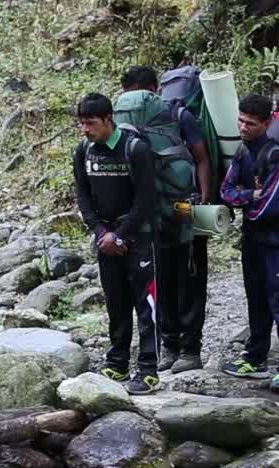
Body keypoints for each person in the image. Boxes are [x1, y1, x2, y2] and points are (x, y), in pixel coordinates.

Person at [120, 65, 212, 375]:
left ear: (155, 91)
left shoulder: (179, 116)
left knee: (190, 279)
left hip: (185, 208)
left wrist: (202, 201)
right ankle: (169, 345)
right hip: (153, 215)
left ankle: (191, 349)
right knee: (162, 281)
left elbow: (201, 158)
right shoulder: (126, 125)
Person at [73, 92, 161, 395]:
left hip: (138, 238)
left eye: (91, 123)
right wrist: (101, 233)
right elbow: (83, 197)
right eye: (82, 124)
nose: (85, 129)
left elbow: (147, 199)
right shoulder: (84, 151)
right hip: (105, 239)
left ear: (109, 120)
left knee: (145, 304)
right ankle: (118, 362)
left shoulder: (135, 149)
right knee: (116, 301)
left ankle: (149, 369)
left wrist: (120, 234)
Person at [219, 94, 279, 392]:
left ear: (267, 123)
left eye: (250, 123)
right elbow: (226, 190)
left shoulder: (277, 157)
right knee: (256, 300)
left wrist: (249, 202)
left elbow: (273, 203)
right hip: (252, 240)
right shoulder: (243, 152)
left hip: (277, 242)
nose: (243, 127)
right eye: (240, 121)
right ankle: (255, 357)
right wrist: (248, 196)